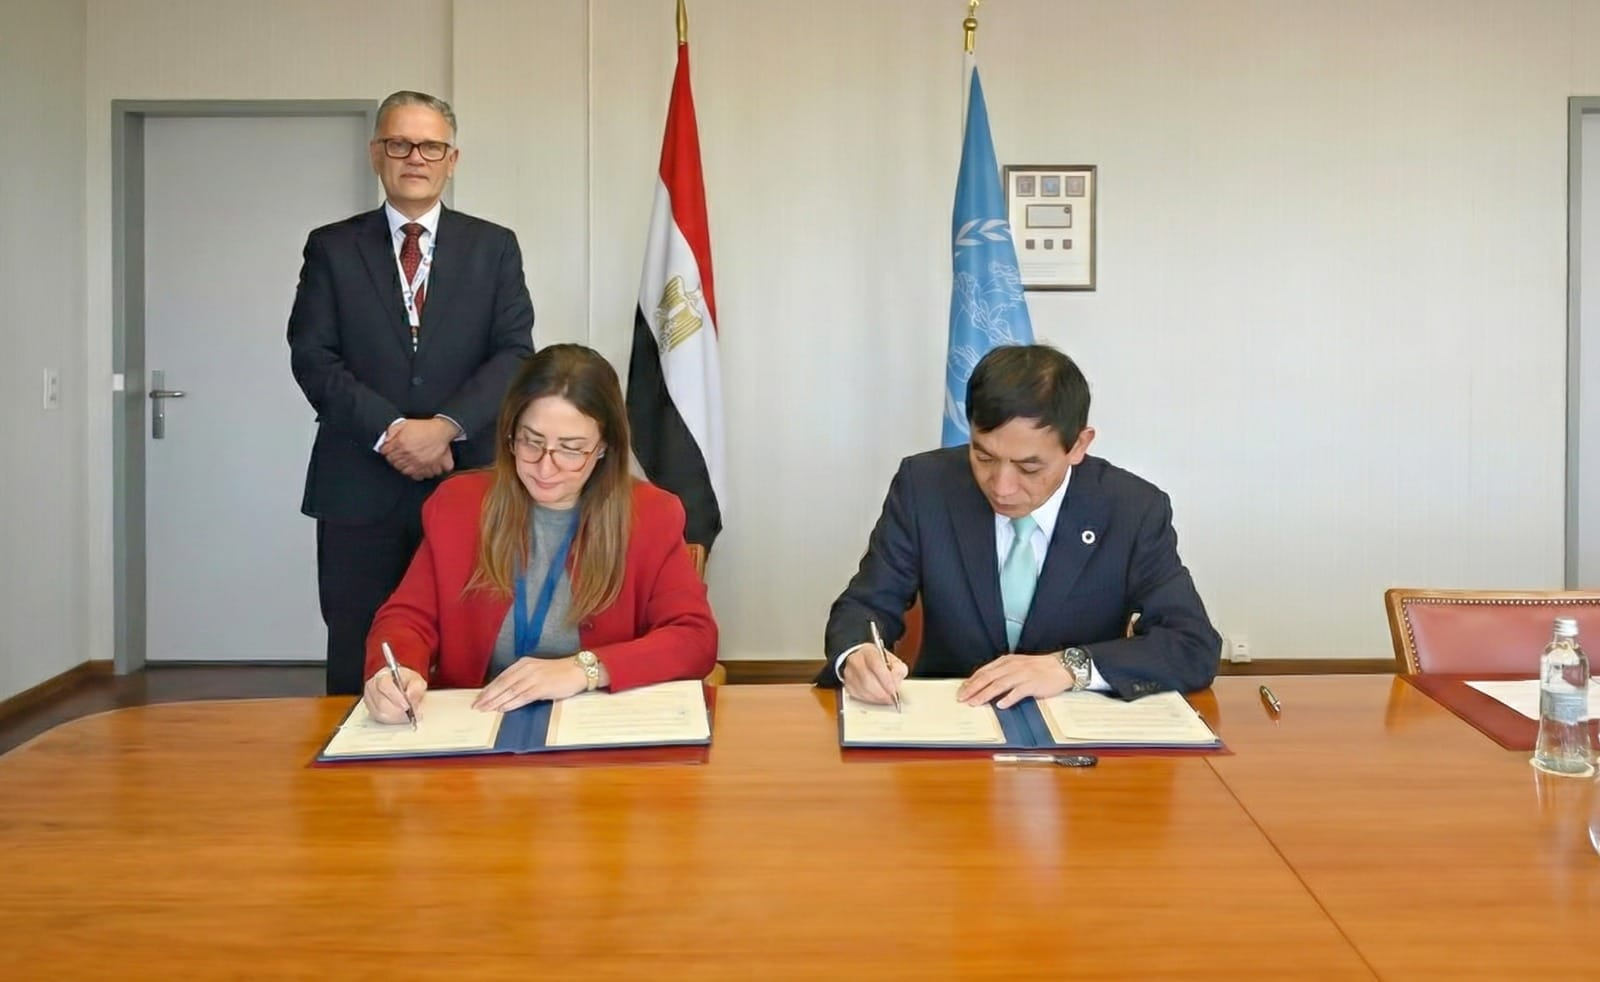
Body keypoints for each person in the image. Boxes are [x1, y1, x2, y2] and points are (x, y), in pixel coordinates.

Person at [288, 90, 535, 695]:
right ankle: (354, 749)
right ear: (377, 153)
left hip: (467, 475)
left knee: (469, 642)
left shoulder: (493, 246)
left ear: (453, 159)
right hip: (358, 482)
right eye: (400, 144)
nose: (415, 157)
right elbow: (313, 357)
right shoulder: (332, 246)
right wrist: (393, 432)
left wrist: (445, 427)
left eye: (430, 146)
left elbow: (514, 353)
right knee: (358, 643)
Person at [821, 344, 1219, 706]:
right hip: (953, 717)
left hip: (1078, 730)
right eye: (984, 457)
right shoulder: (925, 487)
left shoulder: (1132, 509)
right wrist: (857, 653)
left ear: (1078, 445)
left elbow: (1192, 644)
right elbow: (866, 605)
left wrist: (1069, 666)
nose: (1001, 486)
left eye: (1029, 467)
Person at [361, 344, 717, 722]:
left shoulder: (651, 515)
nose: (546, 468)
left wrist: (584, 669)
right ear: (510, 433)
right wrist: (392, 674)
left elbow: (694, 638)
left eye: (571, 449)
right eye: (531, 441)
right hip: (480, 722)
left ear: (604, 447)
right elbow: (407, 618)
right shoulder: (458, 506)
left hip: (596, 727)